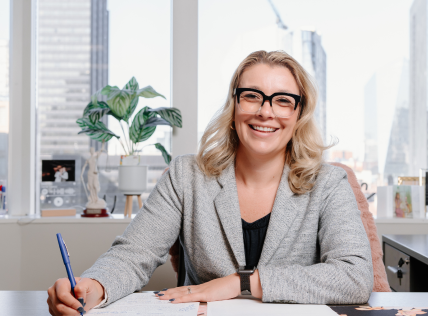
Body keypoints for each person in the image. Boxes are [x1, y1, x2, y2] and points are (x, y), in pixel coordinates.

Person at [46, 50, 373, 315]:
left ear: (299, 114)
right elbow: (133, 255)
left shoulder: (329, 183)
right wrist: (94, 287)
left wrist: (242, 283)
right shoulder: (186, 176)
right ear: (234, 106)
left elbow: (355, 276)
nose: (265, 111)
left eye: (283, 100)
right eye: (252, 96)